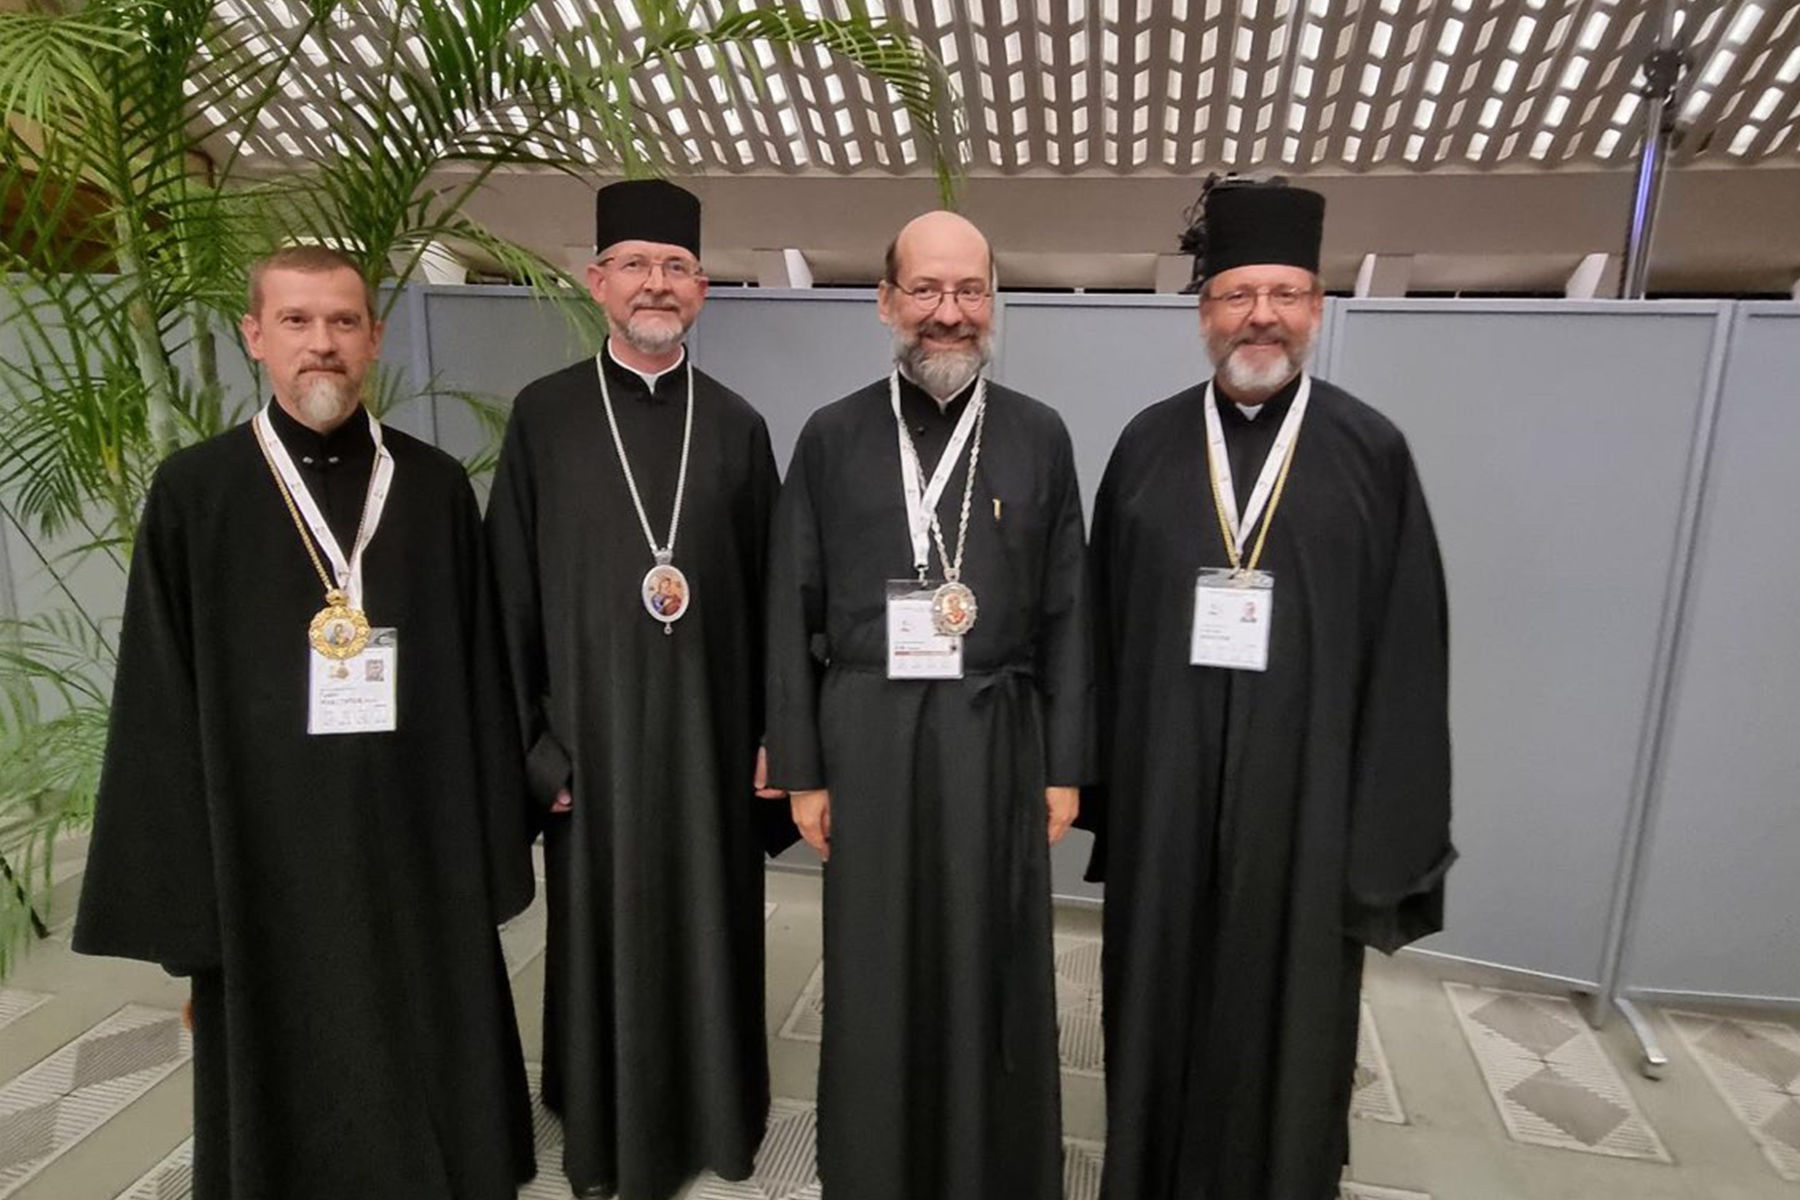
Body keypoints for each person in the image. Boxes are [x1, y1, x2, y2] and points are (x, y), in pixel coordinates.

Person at [74, 245, 536, 1199]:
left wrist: (489, 843)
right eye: (295, 322)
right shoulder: (195, 494)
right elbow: (160, 705)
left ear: (373, 338)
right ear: (254, 337)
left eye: (341, 323)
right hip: (263, 848)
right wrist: (188, 915)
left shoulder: (436, 486)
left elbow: (484, 678)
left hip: (415, 833)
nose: (320, 345)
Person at [1081, 178, 1455, 1199]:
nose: (1262, 315)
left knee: (1286, 1020)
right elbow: (1096, 626)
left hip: (1306, 806)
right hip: (1166, 794)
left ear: (1317, 309)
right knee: (1156, 1004)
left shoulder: (1370, 452)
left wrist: (1382, 835)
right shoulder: (1148, 447)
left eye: (1285, 293)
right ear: (1204, 312)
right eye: (1240, 293)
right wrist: (1092, 781)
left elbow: (1410, 651)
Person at [764, 210, 1092, 1200]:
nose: (948, 313)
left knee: (990, 952)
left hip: (995, 731)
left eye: (970, 291)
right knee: (873, 957)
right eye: (927, 291)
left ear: (993, 301)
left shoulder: (1039, 433)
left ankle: (992, 1165)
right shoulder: (830, 436)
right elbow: (790, 604)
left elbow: (1073, 607)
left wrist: (1066, 765)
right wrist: (803, 771)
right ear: (886, 302)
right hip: (866, 730)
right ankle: (876, 1165)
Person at [485, 178, 788, 1200]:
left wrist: (772, 739)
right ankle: (604, 1116)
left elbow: (775, 600)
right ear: (597, 279)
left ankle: (716, 1109)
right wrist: (535, 748)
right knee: (599, 934)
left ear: (701, 289)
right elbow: (506, 598)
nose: (656, 284)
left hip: (710, 746)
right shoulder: (545, 417)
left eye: (676, 267)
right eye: (637, 265)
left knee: (713, 926)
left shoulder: (741, 426)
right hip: (593, 745)